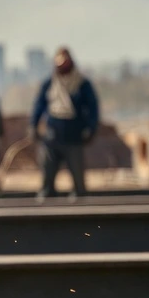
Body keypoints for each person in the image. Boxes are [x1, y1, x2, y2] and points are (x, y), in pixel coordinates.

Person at [29, 47, 99, 198]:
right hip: (52, 136)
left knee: (78, 182)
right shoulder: (49, 84)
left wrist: (91, 129)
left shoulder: (82, 84)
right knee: (47, 177)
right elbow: (39, 105)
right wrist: (33, 126)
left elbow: (93, 108)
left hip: (74, 136)